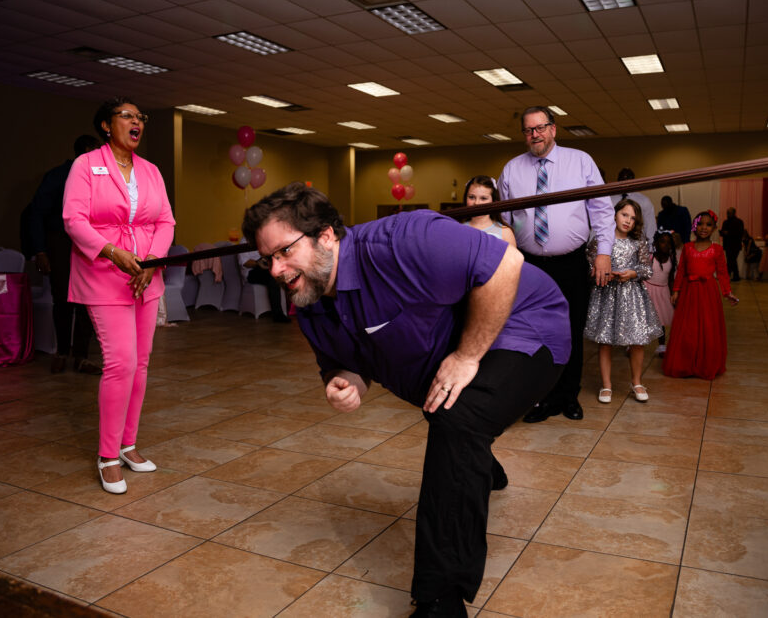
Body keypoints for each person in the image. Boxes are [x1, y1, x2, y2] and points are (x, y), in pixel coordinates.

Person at [242, 183, 568, 617]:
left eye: (284, 251)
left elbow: (507, 264)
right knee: (454, 420)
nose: (276, 269)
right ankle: (480, 465)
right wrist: (347, 382)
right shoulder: (311, 303)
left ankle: (441, 601)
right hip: (461, 341)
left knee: (457, 419)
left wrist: (467, 356)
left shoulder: (404, 240)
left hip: (526, 323)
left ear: (326, 235)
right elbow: (344, 362)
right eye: (267, 259)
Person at [63, 97, 175, 495]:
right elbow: (73, 220)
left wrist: (152, 261)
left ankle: (128, 445)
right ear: (106, 125)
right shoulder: (86, 165)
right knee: (120, 363)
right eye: (126, 115)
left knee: (140, 364)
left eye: (140, 117)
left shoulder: (151, 170)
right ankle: (107, 455)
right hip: (104, 275)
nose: (136, 121)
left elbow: (165, 220)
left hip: (145, 277)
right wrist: (112, 252)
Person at [497, 106, 615, 423]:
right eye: (528, 130)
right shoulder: (511, 169)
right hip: (530, 265)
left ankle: (568, 395)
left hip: (570, 263)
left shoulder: (581, 161)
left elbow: (602, 211)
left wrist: (603, 252)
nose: (534, 135)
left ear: (553, 128)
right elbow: (505, 220)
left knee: (570, 330)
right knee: (534, 332)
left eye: (540, 128)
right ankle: (542, 397)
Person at [28, 134, 103, 374]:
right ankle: (61, 352)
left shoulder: (98, 177)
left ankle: (81, 357)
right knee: (62, 298)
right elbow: (36, 213)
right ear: (87, 150)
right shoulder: (58, 175)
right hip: (60, 242)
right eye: (97, 150)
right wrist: (40, 250)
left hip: (89, 244)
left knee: (87, 301)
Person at [583, 199, 662, 404]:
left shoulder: (638, 242)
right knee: (605, 341)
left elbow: (647, 269)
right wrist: (601, 273)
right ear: (614, 215)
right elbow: (588, 265)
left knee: (637, 341)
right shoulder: (601, 241)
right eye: (624, 215)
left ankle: (637, 382)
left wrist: (633, 273)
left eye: (633, 218)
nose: (628, 221)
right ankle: (606, 385)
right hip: (606, 296)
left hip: (632, 297)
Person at [662, 210, 738, 380]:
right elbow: (681, 271)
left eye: (708, 225)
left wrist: (727, 292)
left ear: (714, 228)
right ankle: (685, 364)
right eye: (700, 224)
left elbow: (723, 273)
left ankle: (704, 364)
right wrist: (676, 290)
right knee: (688, 328)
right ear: (694, 226)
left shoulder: (717, 249)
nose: (704, 227)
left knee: (707, 327)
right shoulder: (688, 247)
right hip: (689, 291)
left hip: (708, 292)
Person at [646, 229, 678, 356]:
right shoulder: (650, 258)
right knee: (642, 318)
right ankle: (632, 344)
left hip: (663, 291)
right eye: (662, 242)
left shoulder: (671, 259)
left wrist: (673, 293)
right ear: (656, 244)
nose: (666, 245)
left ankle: (662, 346)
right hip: (648, 289)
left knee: (661, 320)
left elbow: (670, 279)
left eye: (669, 242)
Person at [238, 250, 291, 323]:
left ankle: (290, 307)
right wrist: (258, 263)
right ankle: (278, 314)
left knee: (282, 272)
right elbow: (245, 262)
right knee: (273, 277)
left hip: (264, 268)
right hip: (251, 272)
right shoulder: (243, 245)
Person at [462, 175, 516, 246]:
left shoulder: (505, 233)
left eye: (483, 198)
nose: (477, 203)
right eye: (471, 197)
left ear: (493, 201)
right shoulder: (459, 229)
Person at [609, 168, 656, 244]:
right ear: (618, 180)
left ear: (634, 180)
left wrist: (651, 245)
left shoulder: (644, 201)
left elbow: (650, 225)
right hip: (610, 242)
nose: (625, 181)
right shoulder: (609, 199)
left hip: (637, 244)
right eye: (622, 179)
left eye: (628, 178)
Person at [719, 207, 745, 282]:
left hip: (735, 244)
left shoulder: (739, 222)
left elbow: (740, 233)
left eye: (729, 213)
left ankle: (727, 275)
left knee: (731, 260)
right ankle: (736, 276)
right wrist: (722, 232)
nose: (728, 214)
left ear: (734, 213)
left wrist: (728, 233)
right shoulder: (725, 222)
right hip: (727, 245)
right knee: (732, 260)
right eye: (727, 213)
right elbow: (723, 232)